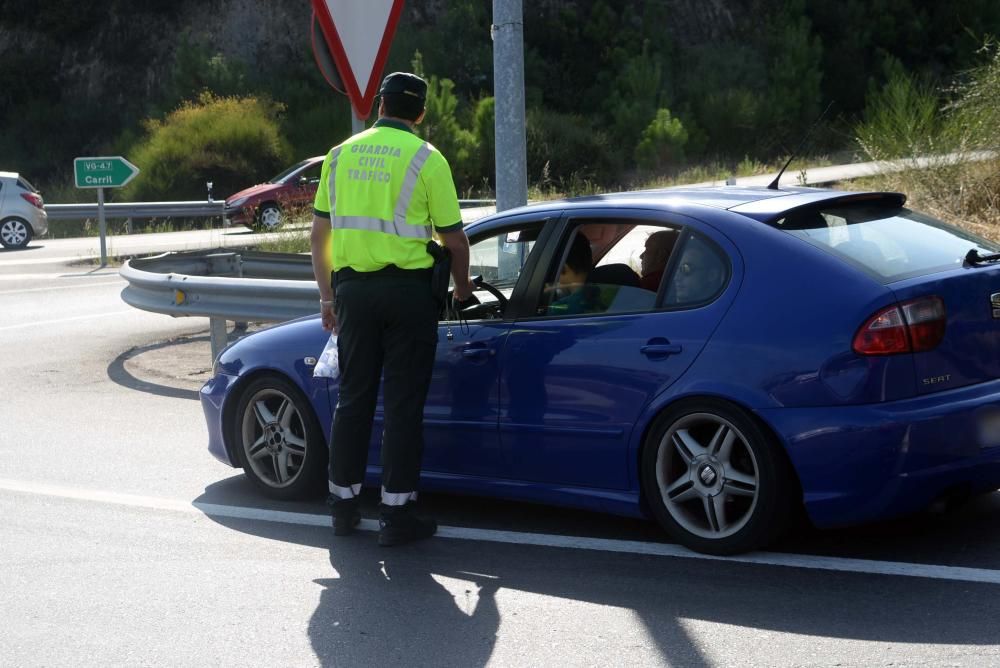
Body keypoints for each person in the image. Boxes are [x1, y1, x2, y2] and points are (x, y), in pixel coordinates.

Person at [309, 71, 474, 547]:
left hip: (353, 294)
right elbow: (455, 240)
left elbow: (320, 236)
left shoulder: (338, 155)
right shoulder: (427, 158)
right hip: (408, 297)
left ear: (379, 104)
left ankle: (342, 508)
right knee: (403, 406)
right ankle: (396, 516)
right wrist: (461, 290)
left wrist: (327, 297)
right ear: (420, 112)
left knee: (354, 399)